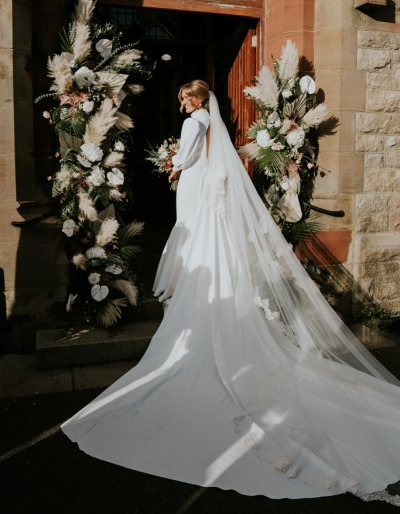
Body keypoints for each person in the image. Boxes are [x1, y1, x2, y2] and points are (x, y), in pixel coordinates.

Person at [62, 81, 400, 505]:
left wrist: (172, 164)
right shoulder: (209, 124)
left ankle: (200, 318)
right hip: (207, 198)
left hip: (194, 195)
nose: (184, 103)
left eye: (187, 98)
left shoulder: (193, 124)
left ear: (199, 100)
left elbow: (185, 157)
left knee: (194, 252)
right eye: (183, 98)